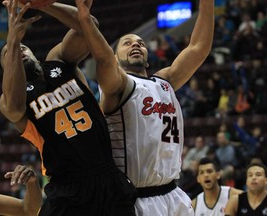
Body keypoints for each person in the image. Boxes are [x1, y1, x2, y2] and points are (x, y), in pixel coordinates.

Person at [75, 0, 214, 215]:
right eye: (127, 43)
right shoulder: (118, 86)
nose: (136, 45)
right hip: (136, 198)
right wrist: (85, 20)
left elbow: (198, 48)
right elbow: (103, 60)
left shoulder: (165, 81)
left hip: (173, 193)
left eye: (140, 42)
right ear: (115, 58)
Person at [0, 0, 137, 215]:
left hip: (108, 175)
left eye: (23, 47)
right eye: (9, 55)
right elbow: (13, 109)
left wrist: (43, 4)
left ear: (34, 53)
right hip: (67, 187)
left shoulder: (59, 60)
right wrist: (13, 41)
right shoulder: (13, 99)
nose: (19, 51)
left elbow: (88, 25)